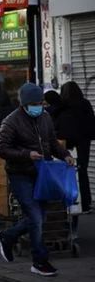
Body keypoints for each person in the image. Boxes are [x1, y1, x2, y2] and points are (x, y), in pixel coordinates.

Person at [0, 82, 75, 277]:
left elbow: (52, 142)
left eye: (41, 103)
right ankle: (40, 261)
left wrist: (65, 155)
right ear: (25, 104)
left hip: (42, 174)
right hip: (20, 174)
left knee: (40, 217)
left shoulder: (45, 117)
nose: (39, 107)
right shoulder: (11, 121)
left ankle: (8, 236)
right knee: (36, 217)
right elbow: (2, 148)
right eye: (36, 103)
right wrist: (26, 154)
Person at [54, 81, 95, 215]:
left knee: (68, 174)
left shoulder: (62, 107)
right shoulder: (85, 104)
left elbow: (58, 127)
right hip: (83, 144)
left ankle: (70, 202)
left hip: (68, 145)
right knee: (82, 172)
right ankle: (86, 202)